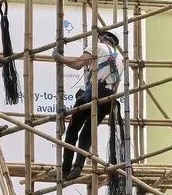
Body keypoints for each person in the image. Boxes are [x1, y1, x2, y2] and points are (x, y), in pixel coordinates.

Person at [52, 30, 123, 182]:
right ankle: (77, 167)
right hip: (108, 99)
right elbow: (115, 87)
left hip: (93, 93)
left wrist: (59, 58)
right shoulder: (121, 59)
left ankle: (65, 169)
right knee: (87, 132)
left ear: (102, 38)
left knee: (72, 130)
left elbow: (78, 64)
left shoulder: (99, 47)